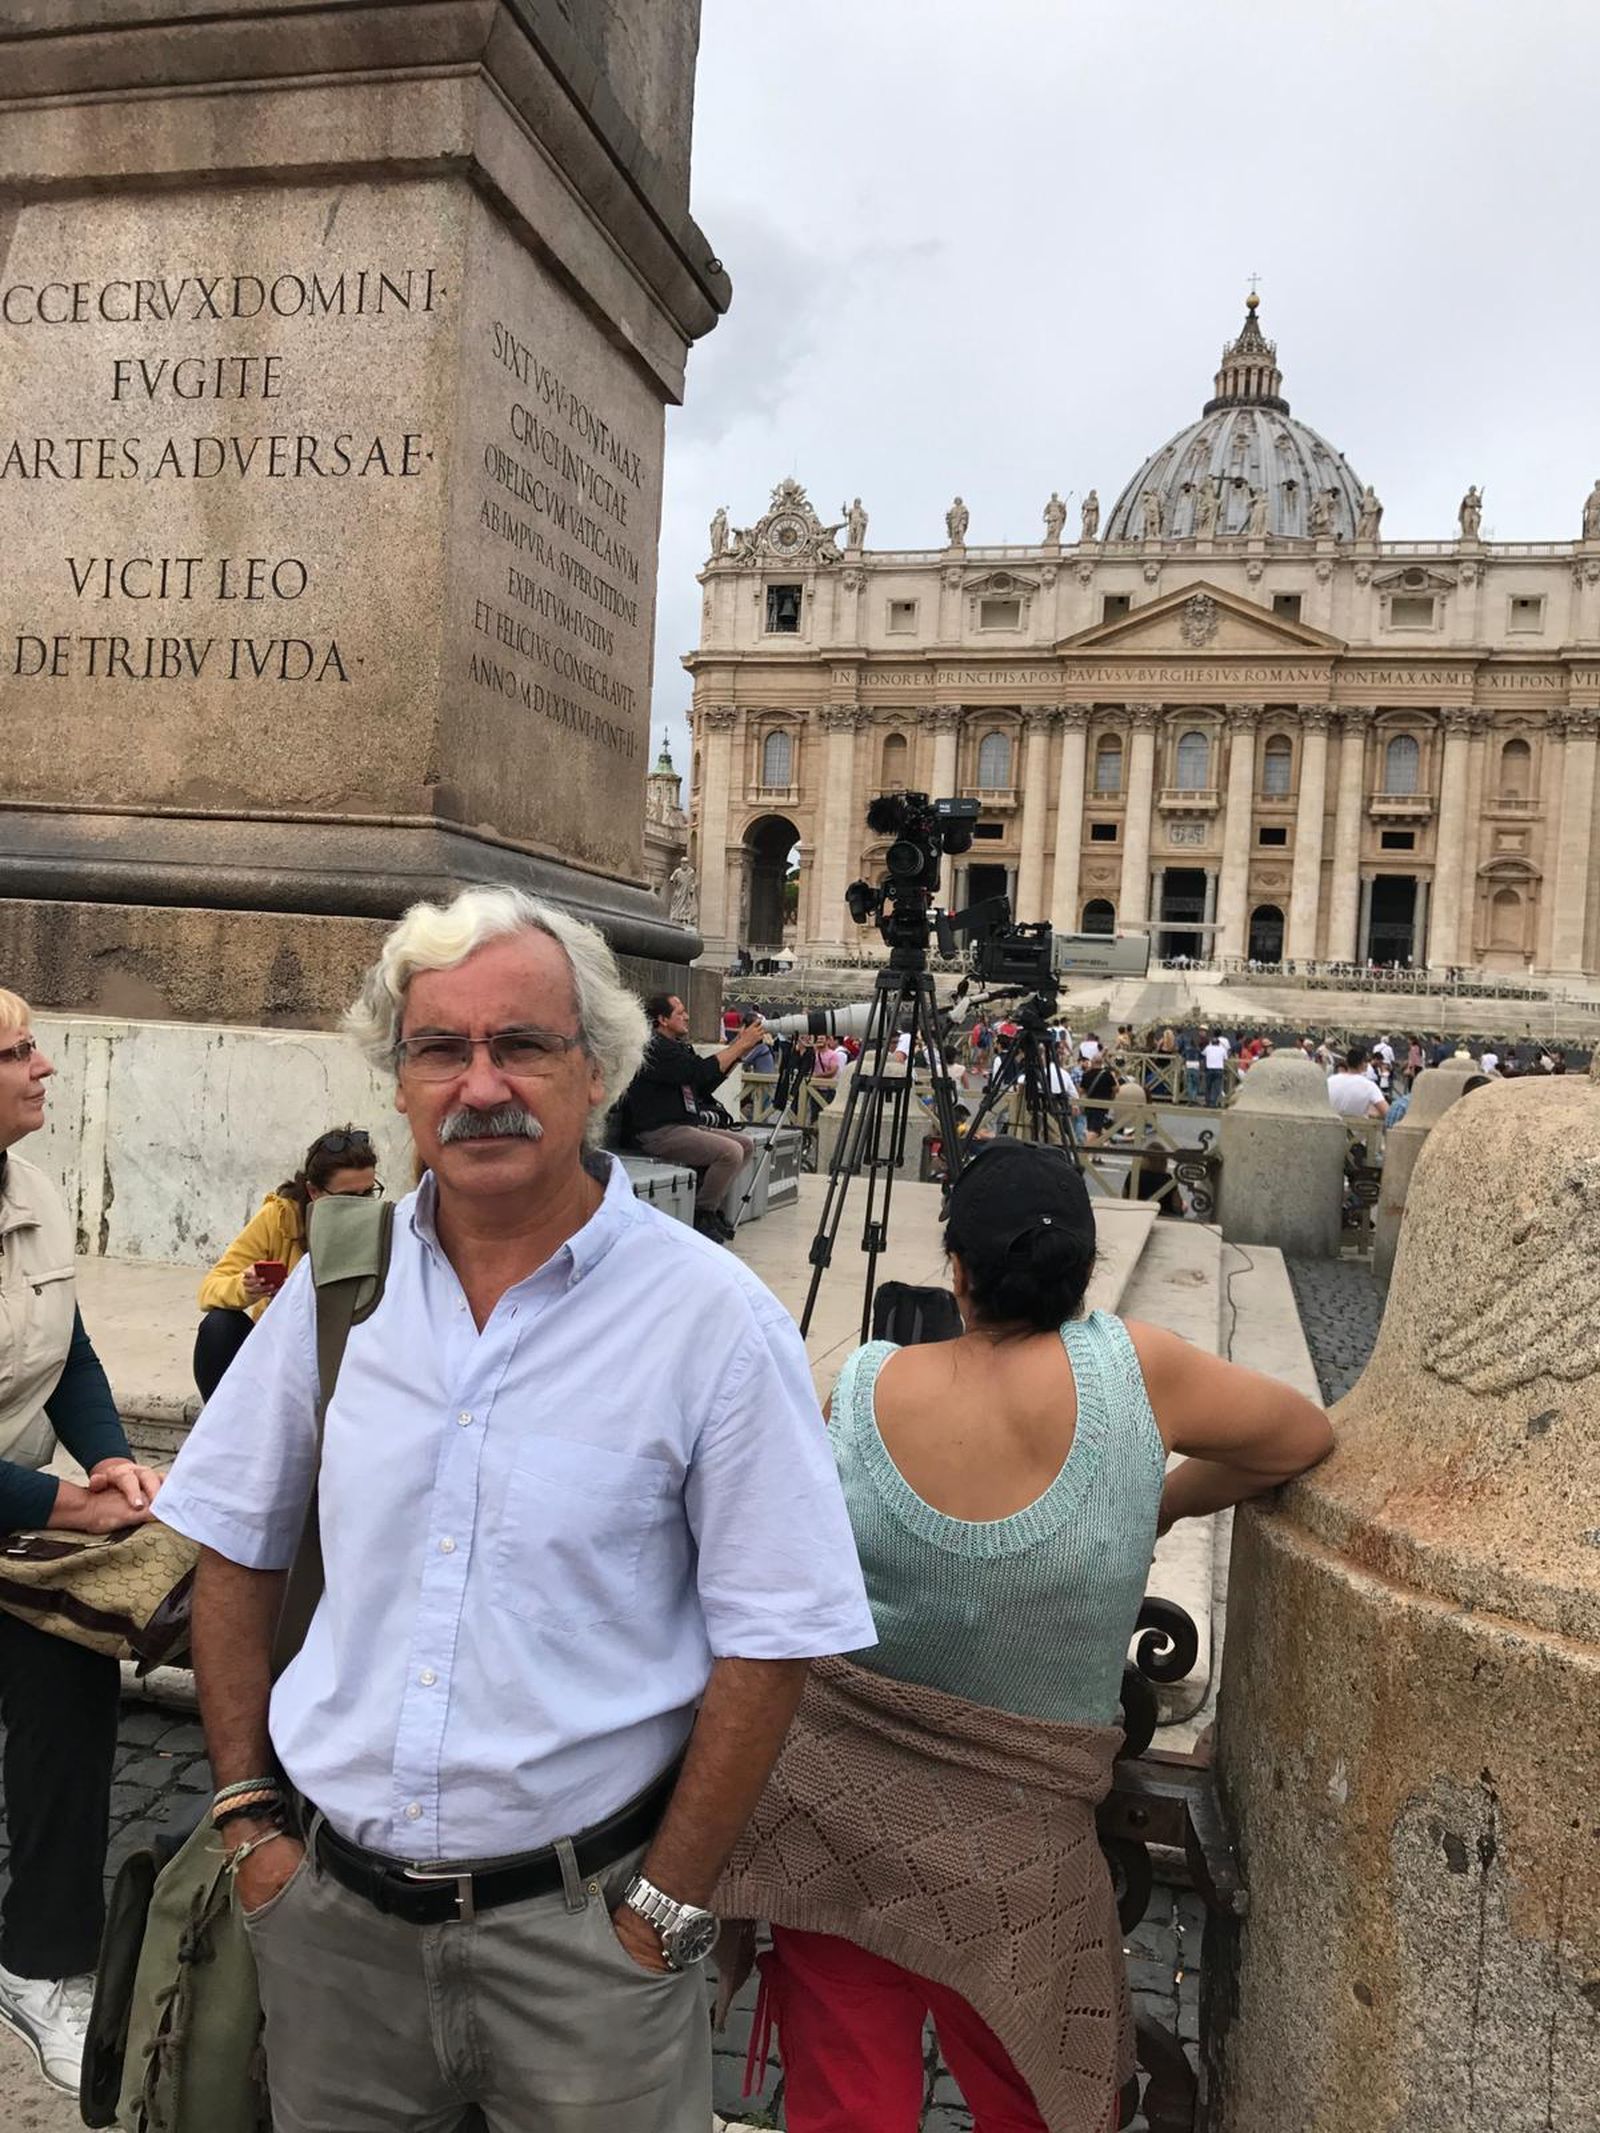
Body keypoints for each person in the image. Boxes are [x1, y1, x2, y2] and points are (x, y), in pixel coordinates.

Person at [152, 887, 876, 2133]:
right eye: (441, 1049)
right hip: (331, 1924)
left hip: (591, 1942)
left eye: (521, 1045)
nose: (479, 1084)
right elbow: (234, 1546)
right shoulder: (334, 1290)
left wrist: (665, 1908)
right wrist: (247, 1822)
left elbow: (775, 1634)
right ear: (401, 1083)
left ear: (597, 1072)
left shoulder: (709, 1320)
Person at [719, 1140, 1333, 2133]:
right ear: (1082, 1267)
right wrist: (1161, 1505)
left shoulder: (865, 1386)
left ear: (955, 1270)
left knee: (844, 2103)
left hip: (830, 1824)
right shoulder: (1138, 1370)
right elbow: (1300, 1440)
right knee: (1026, 2097)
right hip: (1014, 1846)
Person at [0, 990, 165, 2093]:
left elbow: (74, 1352)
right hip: (21, 1511)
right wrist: (66, 1510)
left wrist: (105, 1456)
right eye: (17, 1052)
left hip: (14, 1518)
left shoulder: (40, 1193)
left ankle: (42, 1959)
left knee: (73, 1669)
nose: (45, 1066)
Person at [193, 1127, 381, 1400]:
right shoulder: (280, 1218)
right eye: (349, 1198)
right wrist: (247, 1286)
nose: (361, 1207)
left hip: (344, 1356)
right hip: (281, 1351)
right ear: (314, 1191)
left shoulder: (381, 1225)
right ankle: (225, 1429)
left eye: (368, 1194)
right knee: (219, 1327)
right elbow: (210, 1289)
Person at [628, 992, 767, 1241]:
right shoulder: (654, 1048)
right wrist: (739, 1044)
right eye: (679, 1013)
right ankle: (702, 1213)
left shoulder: (677, 1047)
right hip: (658, 1131)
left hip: (683, 1124)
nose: (687, 1017)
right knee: (730, 1152)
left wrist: (738, 1052)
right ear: (662, 1019)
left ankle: (712, 1209)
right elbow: (697, 1072)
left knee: (745, 1145)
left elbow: (701, 1085)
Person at [1326, 1047, 1389, 1120]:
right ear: (1363, 1063)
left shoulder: (1329, 1081)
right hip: (1358, 1128)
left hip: (1331, 1126)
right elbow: (1387, 1112)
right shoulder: (1369, 1086)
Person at [1201, 1030, 1229, 1107]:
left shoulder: (1208, 1047)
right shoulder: (1222, 1049)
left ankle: (1207, 1102)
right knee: (1216, 1087)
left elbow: (1203, 1054)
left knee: (1208, 1086)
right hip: (1219, 1069)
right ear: (1218, 1043)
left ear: (1211, 1043)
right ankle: (1213, 1103)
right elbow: (1226, 1058)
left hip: (1209, 1068)